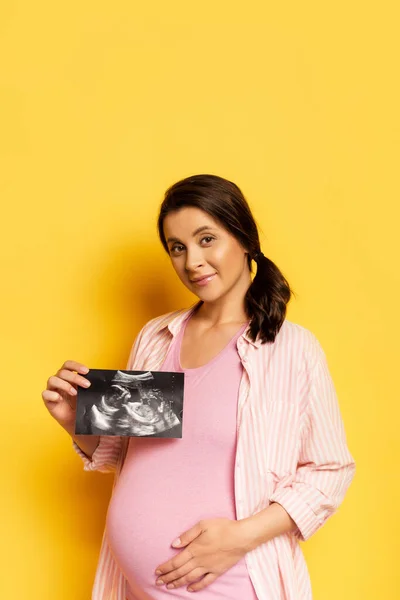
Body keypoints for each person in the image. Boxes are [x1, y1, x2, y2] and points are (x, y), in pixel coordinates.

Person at [42, 173, 356, 600]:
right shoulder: (157, 337)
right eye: (177, 247)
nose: (192, 261)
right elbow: (130, 456)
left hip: (231, 585)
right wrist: (73, 420)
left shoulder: (291, 349)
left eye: (207, 239)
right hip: (132, 587)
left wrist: (240, 538)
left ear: (244, 238)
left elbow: (329, 472)